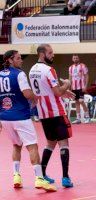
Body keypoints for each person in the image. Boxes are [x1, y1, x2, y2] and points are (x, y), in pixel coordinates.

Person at [0, 50, 56, 192]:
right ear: (10, 60)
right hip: (20, 116)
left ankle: (16, 176)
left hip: (5, 117)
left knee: (16, 145)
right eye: (18, 58)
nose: (21, 60)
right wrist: (36, 95)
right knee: (32, 146)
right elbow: (26, 93)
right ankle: (39, 179)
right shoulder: (19, 74)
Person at [29, 44, 75, 188]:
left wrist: (63, 92)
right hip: (56, 111)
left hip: (43, 113)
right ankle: (65, 178)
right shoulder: (49, 70)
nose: (52, 55)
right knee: (63, 143)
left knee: (50, 143)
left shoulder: (31, 70)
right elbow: (56, 93)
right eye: (50, 53)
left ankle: (42, 174)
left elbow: (46, 89)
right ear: (42, 54)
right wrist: (67, 85)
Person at [68, 54, 90, 124]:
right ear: (72, 59)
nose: (75, 59)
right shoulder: (70, 67)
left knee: (81, 101)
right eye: (74, 58)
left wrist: (85, 86)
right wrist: (69, 87)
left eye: (76, 58)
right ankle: (78, 118)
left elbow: (87, 76)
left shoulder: (83, 66)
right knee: (76, 102)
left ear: (78, 59)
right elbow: (70, 78)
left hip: (81, 87)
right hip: (74, 87)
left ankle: (87, 117)